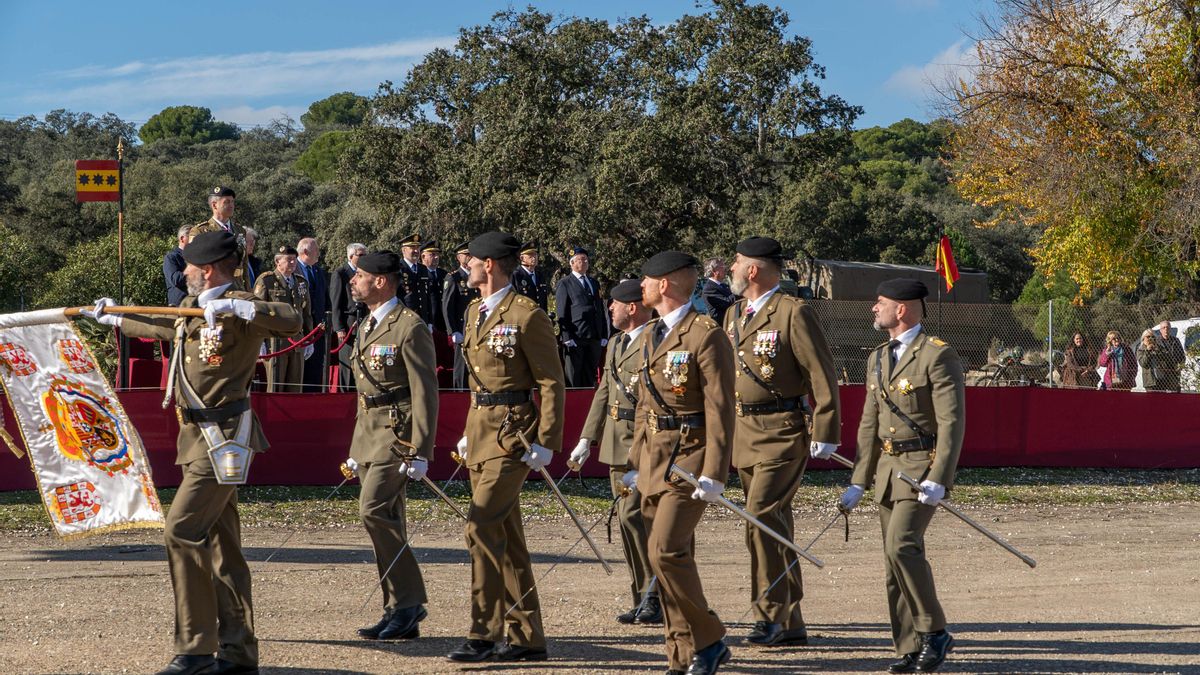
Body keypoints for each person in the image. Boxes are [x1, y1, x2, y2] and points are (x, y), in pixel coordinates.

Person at [83, 230, 302, 675]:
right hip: (196, 440)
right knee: (224, 547)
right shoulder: (191, 306)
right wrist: (114, 317)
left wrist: (243, 307)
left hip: (224, 438)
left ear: (207, 270)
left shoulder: (239, 306)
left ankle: (197, 649)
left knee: (181, 531)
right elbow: (163, 322)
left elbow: (291, 320)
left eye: (187, 267)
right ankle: (239, 653)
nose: (182, 273)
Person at [447, 231, 565, 664]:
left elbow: (552, 382)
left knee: (479, 526)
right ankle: (528, 637)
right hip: (482, 432)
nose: (467, 267)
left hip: (514, 435)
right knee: (508, 537)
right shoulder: (475, 310)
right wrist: (466, 429)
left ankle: (483, 633)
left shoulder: (527, 314)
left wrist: (547, 441)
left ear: (490, 265)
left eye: (472, 261)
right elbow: (480, 382)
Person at [839, 278, 964, 674]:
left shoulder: (937, 356)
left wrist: (940, 476)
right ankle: (908, 648)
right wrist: (859, 479)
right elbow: (869, 423)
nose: (874, 309)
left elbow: (951, 422)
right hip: (888, 472)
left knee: (902, 546)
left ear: (903, 309)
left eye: (880, 303)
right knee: (893, 565)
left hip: (921, 469)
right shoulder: (876, 358)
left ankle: (935, 631)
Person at [726, 237, 840, 647]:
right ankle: (792, 621)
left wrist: (826, 430)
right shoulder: (733, 315)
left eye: (737, 263)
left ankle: (769, 614)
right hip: (743, 435)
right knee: (773, 526)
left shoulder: (793, 312)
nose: (732, 269)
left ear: (753, 270)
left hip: (782, 433)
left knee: (759, 520)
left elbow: (822, 375)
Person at [629, 250, 735, 675]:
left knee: (665, 550)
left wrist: (715, 471)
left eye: (646, 280)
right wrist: (636, 459)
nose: (641, 287)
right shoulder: (652, 332)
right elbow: (644, 405)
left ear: (666, 284)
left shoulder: (705, 334)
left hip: (691, 457)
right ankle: (682, 653)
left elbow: (721, 408)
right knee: (666, 558)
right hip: (656, 458)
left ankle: (709, 639)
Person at [341, 250, 439, 642]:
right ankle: (397, 608)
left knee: (374, 511)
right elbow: (365, 391)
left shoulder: (408, 326)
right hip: (369, 434)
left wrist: (422, 449)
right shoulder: (367, 324)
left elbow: (425, 391)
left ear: (380, 281)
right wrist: (355, 443)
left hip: (398, 437)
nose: (353, 281)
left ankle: (411, 601)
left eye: (359, 276)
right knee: (386, 520)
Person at [573, 278, 660, 627]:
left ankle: (655, 593)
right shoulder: (616, 343)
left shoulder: (656, 340)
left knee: (634, 518)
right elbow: (603, 392)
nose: (609, 308)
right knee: (627, 526)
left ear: (633, 307)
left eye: (615, 303)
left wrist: (645, 453)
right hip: (613, 442)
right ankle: (641, 596)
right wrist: (585, 439)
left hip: (642, 442)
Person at [253, 246, 313, 393]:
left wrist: (308, 338)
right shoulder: (267, 280)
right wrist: (259, 340)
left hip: (297, 340)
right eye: (289, 260)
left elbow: (306, 313)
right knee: (275, 386)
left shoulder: (301, 282)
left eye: (294, 259)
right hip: (275, 342)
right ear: (277, 262)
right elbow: (257, 311)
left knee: (295, 385)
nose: (293, 263)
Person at [555, 246, 609, 387]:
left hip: (594, 336)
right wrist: (566, 337)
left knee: (590, 374)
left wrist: (603, 334)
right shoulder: (565, 283)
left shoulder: (593, 283)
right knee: (574, 375)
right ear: (572, 263)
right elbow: (562, 311)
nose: (584, 262)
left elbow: (600, 309)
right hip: (576, 336)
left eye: (586, 259)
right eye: (580, 260)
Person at [186, 186, 251, 291]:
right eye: (227, 202)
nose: (231, 205)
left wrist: (247, 290)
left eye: (232, 202)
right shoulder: (201, 231)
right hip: (213, 289)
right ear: (214, 205)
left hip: (238, 289)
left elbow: (245, 264)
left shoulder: (240, 231)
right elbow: (195, 265)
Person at [441, 242, 479, 389]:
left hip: (475, 326)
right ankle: (459, 392)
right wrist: (453, 330)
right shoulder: (454, 277)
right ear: (458, 257)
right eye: (466, 254)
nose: (469, 257)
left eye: (471, 254)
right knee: (461, 365)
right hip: (461, 327)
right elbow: (447, 306)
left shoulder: (476, 277)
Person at [331, 244, 368, 392]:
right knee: (347, 365)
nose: (364, 258)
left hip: (363, 323)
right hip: (348, 326)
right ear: (351, 256)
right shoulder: (340, 273)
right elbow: (336, 303)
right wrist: (339, 327)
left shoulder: (365, 273)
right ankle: (345, 395)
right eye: (361, 255)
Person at [297, 237, 330, 392]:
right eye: (316, 250)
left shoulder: (318, 271)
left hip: (319, 328)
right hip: (301, 329)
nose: (318, 254)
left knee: (316, 367)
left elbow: (325, 297)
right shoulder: (292, 268)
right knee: (300, 370)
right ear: (305, 251)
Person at [398, 233, 432, 324]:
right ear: (404, 250)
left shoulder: (423, 268)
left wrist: (430, 322)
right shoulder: (398, 268)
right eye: (412, 248)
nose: (416, 251)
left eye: (418, 248)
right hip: (405, 319)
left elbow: (427, 296)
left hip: (423, 319)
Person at [512, 242, 551, 312]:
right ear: (522, 258)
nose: (534, 257)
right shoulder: (516, 275)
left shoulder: (540, 275)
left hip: (539, 318)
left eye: (535, 254)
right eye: (530, 255)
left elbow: (543, 301)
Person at [700, 257, 735, 325]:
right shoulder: (709, 289)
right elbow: (728, 303)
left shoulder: (723, 285)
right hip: (723, 327)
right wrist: (740, 290)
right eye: (722, 266)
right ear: (714, 271)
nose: (725, 268)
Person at [1153, 321, 1186, 392]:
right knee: (1162, 396)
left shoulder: (1176, 341)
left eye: (1167, 328)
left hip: (1173, 372)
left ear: (1170, 329)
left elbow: (1182, 356)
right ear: (1160, 330)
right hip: (1161, 374)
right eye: (1163, 328)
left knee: (1174, 395)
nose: (1166, 329)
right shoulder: (1156, 341)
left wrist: (1180, 366)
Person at [164, 224, 190, 307]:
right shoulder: (171, 257)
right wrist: (196, 272)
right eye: (192, 237)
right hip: (179, 305)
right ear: (182, 239)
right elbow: (176, 279)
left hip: (196, 304)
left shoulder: (198, 257)